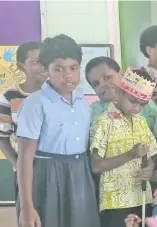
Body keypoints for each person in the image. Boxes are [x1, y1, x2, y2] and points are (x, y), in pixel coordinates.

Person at [16, 34, 100, 227]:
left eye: (73, 68)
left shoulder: (82, 102)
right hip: (46, 176)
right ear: (46, 70)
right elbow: (25, 157)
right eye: (58, 69)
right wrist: (27, 207)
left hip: (80, 173)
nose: (67, 75)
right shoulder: (35, 103)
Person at [89, 68, 157, 227]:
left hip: (141, 198)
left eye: (143, 105)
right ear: (120, 92)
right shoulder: (103, 122)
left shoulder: (140, 121)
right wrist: (130, 155)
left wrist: (148, 168)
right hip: (115, 203)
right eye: (133, 102)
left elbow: (148, 156)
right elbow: (96, 166)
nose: (137, 109)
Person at [86, 57, 157, 136]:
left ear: (121, 74)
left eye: (107, 77)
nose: (103, 85)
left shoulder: (147, 105)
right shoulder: (92, 112)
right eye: (96, 84)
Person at [0, 41, 45, 168]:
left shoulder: (56, 94)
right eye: (36, 62)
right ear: (21, 66)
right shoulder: (9, 96)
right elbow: (2, 138)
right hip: (26, 167)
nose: (43, 66)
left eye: (46, 60)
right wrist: (20, 169)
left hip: (54, 168)